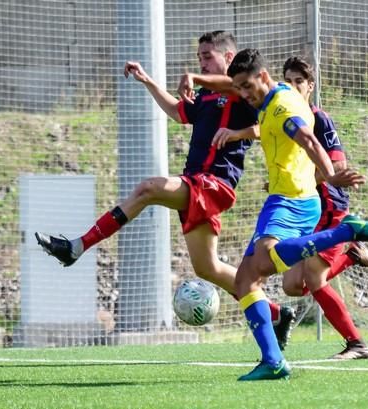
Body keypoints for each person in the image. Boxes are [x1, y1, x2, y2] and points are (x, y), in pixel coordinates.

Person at [34, 31, 295, 345]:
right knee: (208, 268)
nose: (202, 61)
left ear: (228, 58)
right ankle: (276, 313)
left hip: (215, 184)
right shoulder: (207, 95)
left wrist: (237, 132)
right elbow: (177, 111)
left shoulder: (241, 90)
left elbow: (263, 125)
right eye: (199, 56)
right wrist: (147, 80)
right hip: (196, 182)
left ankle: (77, 247)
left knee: (148, 189)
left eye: (208, 56)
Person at [226, 48, 368, 381]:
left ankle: (346, 235)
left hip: (297, 200)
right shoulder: (274, 99)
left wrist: (330, 176)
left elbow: (308, 140)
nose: (243, 94)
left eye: (247, 86)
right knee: (248, 280)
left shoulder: (285, 106)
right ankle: (272, 361)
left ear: (262, 77)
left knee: (266, 264)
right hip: (282, 197)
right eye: (238, 88)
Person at [278, 56, 368, 360]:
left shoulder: (318, 119)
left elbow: (337, 165)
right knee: (291, 285)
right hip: (302, 207)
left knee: (314, 279)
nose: (294, 86)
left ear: (310, 86)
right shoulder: (286, 121)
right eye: (288, 81)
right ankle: (350, 254)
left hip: (328, 204)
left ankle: (357, 343)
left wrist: (300, 178)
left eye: (299, 81)